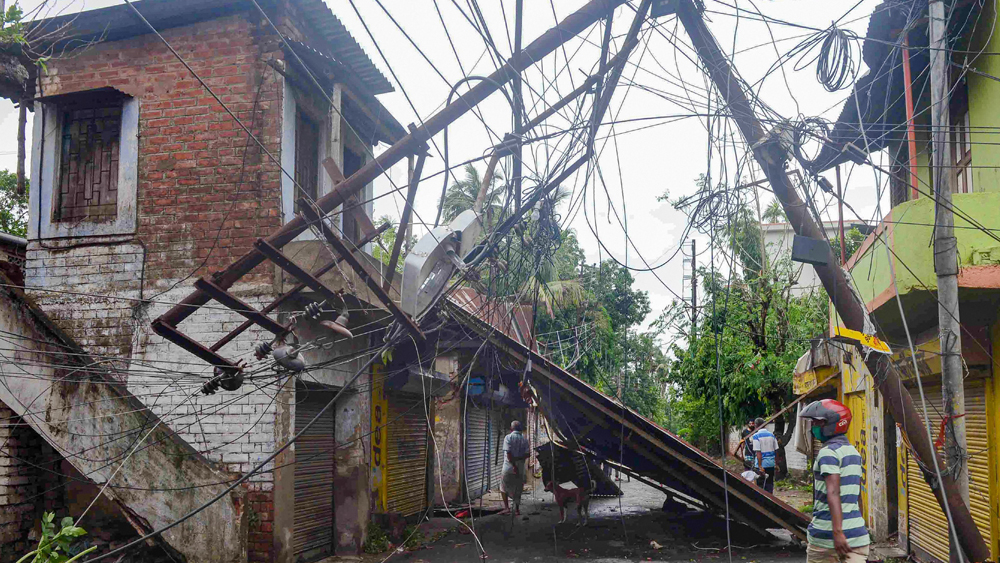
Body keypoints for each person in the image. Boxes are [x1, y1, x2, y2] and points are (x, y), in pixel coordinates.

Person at [799, 399, 869, 563]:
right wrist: (858, 524)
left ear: (831, 424)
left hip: (828, 539)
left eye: (818, 422)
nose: (814, 427)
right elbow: (857, 496)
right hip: (857, 537)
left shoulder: (827, 453)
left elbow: (834, 492)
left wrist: (838, 533)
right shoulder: (853, 453)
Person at [500, 420, 530, 515]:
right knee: (518, 488)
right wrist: (518, 461)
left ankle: (506, 508)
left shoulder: (508, 437)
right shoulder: (524, 439)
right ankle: (517, 510)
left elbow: (508, 454)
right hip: (520, 468)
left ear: (511, 428)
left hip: (508, 468)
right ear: (520, 429)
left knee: (503, 488)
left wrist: (513, 465)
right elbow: (528, 454)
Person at [751, 417, 778, 493]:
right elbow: (776, 450)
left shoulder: (756, 436)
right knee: (769, 484)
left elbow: (758, 453)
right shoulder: (771, 435)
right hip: (771, 464)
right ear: (764, 425)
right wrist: (776, 464)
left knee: (760, 486)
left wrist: (760, 466)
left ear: (756, 425)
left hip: (762, 466)